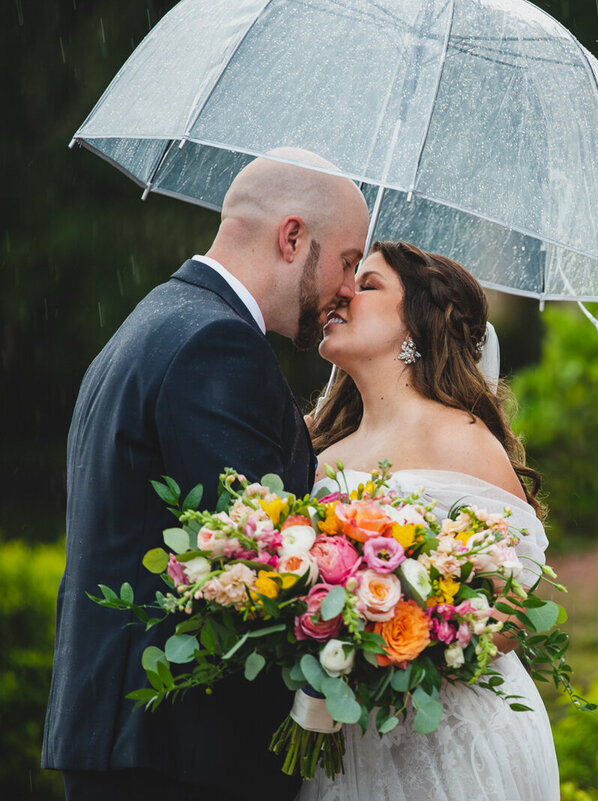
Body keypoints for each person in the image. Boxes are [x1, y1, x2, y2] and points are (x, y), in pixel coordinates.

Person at [42, 149, 370, 801]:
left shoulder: (156, 321)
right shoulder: (216, 346)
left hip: (131, 741)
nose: (350, 289)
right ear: (293, 236)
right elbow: (262, 562)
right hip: (178, 754)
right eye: (349, 261)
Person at [299, 240, 560, 801]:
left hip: (450, 747)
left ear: (415, 322)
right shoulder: (317, 452)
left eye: (367, 285)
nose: (342, 294)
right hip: (346, 743)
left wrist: (403, 635)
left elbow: (517, 611)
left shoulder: (458, 437)